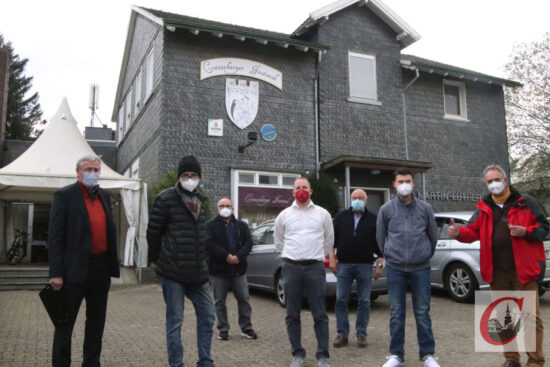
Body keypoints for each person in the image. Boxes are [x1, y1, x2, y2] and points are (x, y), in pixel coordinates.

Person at [448, 164, 548, 367]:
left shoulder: (525, 202)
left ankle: (535, 361)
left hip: (524, 271)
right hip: (497, 273)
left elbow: (544, 228)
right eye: (489, 181)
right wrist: (459, 233)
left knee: (530, 319)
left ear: (505, 180)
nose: (493, 184)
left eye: (496, 179)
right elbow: (472, 231)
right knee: (504, 318)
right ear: (486, 184)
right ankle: (512, 359)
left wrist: (526, 232)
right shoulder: (484, 207)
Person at [47, 154, 120, 367]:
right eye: (88, 169)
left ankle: (91, 363)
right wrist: (56, 273)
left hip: (100, 270)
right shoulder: (64, 196)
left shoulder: (104, 196)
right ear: (78, 172)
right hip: (72, 272)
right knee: (64, 324)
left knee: (96, 324)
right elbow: (55, 236)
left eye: (96, 170)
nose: (92, 174)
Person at [147, 155, 216, 367]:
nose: (190, 178)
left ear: (199, 177)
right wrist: (160, 261)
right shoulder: (166, 198)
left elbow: (201, 235)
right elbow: (153, 233)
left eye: (193, 175)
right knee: (175, 323)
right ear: (179, 177)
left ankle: (205, 361)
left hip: (197, 273)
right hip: (173, 272)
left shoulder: (200, 200)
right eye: (185, 175)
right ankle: (177, 364)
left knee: (208, 316)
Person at [376, 167, 440, 367]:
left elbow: (432, 236)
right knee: (396, 311)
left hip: (420, 268)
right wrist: (389, 254)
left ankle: (428, 355)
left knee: (422, 311)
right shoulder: (386, 209)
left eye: (408, 181)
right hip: (395, 268)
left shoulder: (425, 208)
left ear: (413, 183)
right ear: (394, 184)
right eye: (400, 181)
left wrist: (424, 254)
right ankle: (396, 355)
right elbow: (380, 237)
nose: (405, 185)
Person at [274, 177, 334, 367]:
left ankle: (323, 355)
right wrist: (294, 255)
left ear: (311, 191)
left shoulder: (323, 214)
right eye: (298, 187)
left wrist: (313, 254)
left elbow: (328, 241)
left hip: (314, 268)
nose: (301, 190)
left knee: (320, 314)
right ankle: (297, 354)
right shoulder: (283, 215)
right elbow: (279, 241)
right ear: (292, 192)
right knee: (292, 314)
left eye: (304, 187)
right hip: (291, 268)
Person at [329, 189, 383, 349]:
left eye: (360, 198)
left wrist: (380, 265)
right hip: (344, 265)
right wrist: (332, 259)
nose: (357, 200)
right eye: (354, 198)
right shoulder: (341, 217)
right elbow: (331, 240)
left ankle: (361, 333)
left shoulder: (374, 219)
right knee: (340, 300)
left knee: (364, 301)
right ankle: (342, 334)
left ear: (366, 201)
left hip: (365, 265)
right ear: (350, 200)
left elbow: (381, 245)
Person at [206, 197, 257, 341]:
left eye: (227, 205)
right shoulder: (210, 226)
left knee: (244, 299)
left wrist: (238, 257)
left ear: (232, 208)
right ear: (217, 209)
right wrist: (226, 256)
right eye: (222, 206)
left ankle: (246, 328)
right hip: (218, 271)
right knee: (219, 301)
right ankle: (223, 330)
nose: (225, 208)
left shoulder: (241, 225)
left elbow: (248, 242)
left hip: (238, 270)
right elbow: (209, 244)